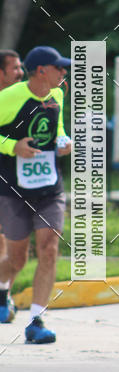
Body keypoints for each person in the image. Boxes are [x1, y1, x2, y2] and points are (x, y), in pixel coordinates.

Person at [0, 46, 71, 342]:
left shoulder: (57, 95)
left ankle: (36, 321)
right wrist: (12, 146)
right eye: (59, 68)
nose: (64, 73)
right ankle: (3, 291)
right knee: (17, 259)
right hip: (13, 189)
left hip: (49, 188)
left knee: (49, 247)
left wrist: (64, 141)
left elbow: (58, 130)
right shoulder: (8, 98)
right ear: (41, 70)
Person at [0, 50, 24, 322]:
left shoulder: (23, 100)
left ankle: (4, 293)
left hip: (17, 180)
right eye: (15, 68)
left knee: (15, 243)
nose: (20, 72)